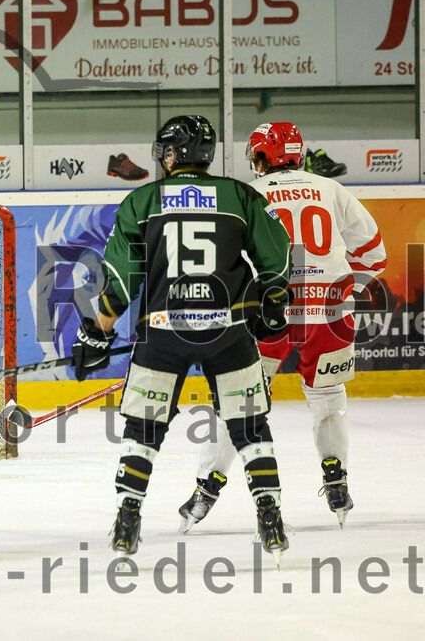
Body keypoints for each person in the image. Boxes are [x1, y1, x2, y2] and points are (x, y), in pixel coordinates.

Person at [71, 115, 294, 563]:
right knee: (249, 425)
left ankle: (127, 518)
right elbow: (277, 256)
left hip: (163, 332)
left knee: (144, 428)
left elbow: (120, 277)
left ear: (173, 154)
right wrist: (272, 302)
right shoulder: (240, 196)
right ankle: (270, 517)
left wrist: (98, 330)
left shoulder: (142, 200)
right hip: (227, 331)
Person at [177, 122, 386, 531]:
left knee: (240, 404)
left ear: (260, 158)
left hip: (268, 313)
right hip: (330, 313)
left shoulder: (247, 195)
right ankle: (337, 481)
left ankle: (206, 491)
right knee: (328, 398)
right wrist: (335, 284)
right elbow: (375, 256)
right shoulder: (330, 189)